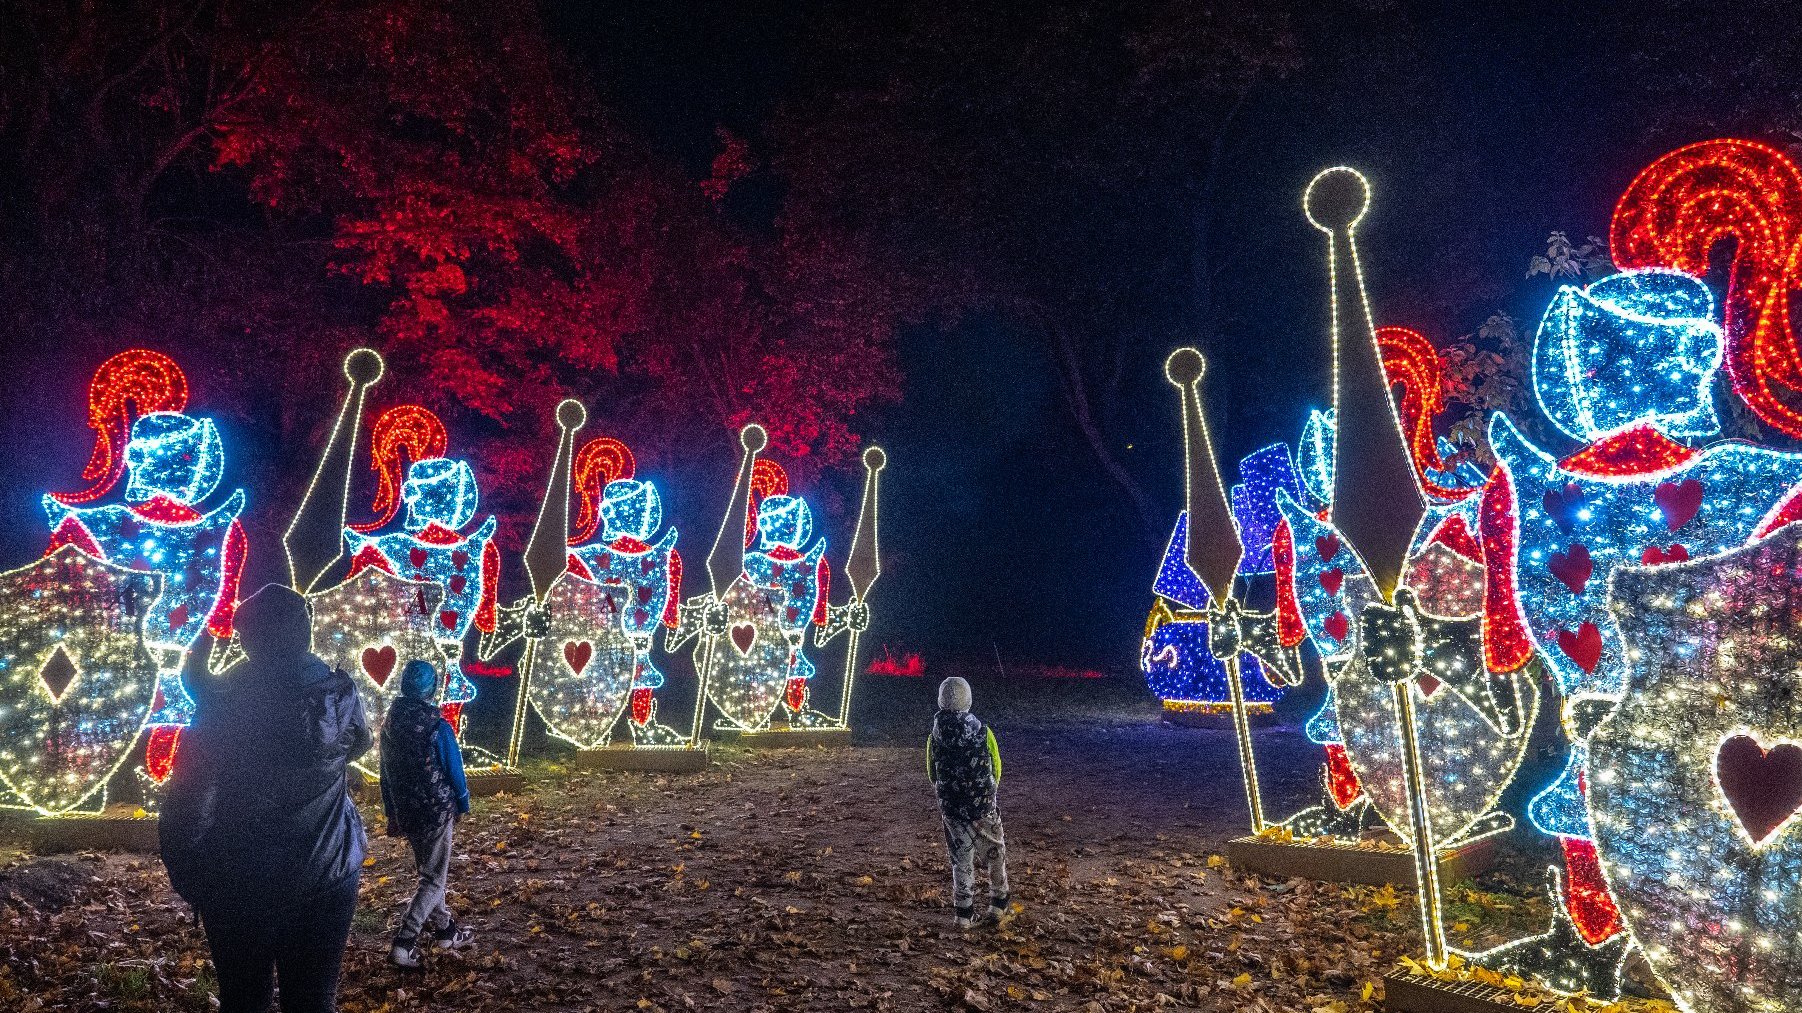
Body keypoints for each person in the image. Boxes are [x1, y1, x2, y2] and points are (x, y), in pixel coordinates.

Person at [159, 584, 371, 1013]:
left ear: (250, 640)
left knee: (244, 1000)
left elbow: (188, 804)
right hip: (328, 871)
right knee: (313, 1001)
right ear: (304, 633)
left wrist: (190, 876)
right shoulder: (341, 696)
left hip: (239, 880)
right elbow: (359, 744)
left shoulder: (222, 705)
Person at [379, 659, 474, 967]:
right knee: (433, 879)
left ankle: (446, 930)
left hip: (408, 811)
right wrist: (462, 801)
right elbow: (454, 769)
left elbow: (385, 773)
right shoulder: (437, 725)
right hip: (436, 810)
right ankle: (404, 942)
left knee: (430, 873)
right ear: (431, 689)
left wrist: (392, 812)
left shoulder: (389, 725)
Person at [926, 676, 1010, 929]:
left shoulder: (934, 737)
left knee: (961, 859)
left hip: (952, 810)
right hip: (983, 806)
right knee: (995, 853)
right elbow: (996, 767)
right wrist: (988, 791)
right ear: (969, 700)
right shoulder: (984, 732)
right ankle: (999, 902)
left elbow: (932, 772)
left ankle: (963, 913)